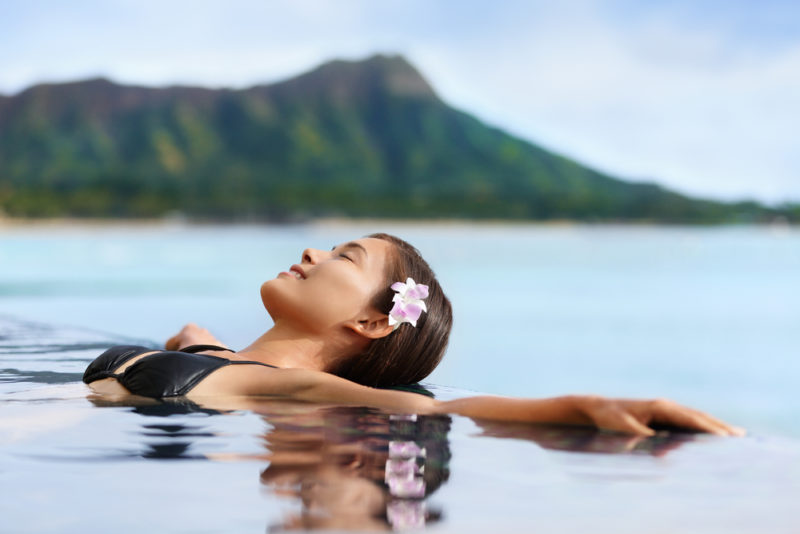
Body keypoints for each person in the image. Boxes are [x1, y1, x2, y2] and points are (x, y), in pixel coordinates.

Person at [84, 233, 745, 437]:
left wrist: (583, 407)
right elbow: (200, 347)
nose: (312, 252)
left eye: (343, 257)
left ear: (371, 322)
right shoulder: (214, 356)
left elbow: (439, 409)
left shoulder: (293, 386)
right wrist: (195, 342)